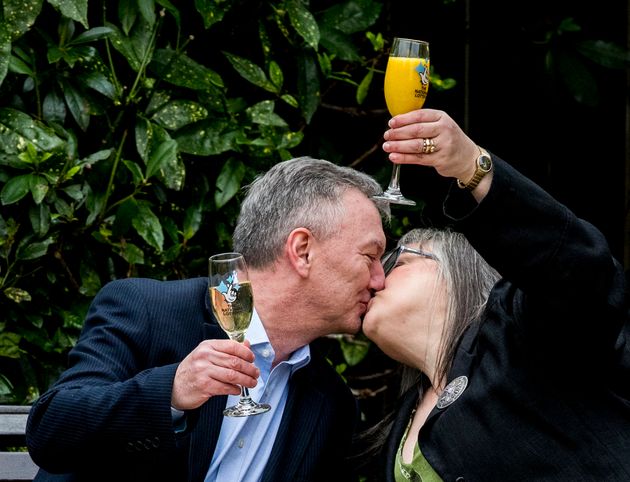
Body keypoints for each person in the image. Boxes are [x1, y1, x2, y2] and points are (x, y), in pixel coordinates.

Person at [26, 156, 391, 482]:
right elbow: (51, 431)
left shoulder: (332, 404)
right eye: (370, 256)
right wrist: (170, 392)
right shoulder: (147, 309)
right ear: (302, 250)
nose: (379, 280)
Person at [358, 108, 630, 481]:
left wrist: (472, 167)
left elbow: (584, 275)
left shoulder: (524, 333)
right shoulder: (394, 424)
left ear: (456, 274)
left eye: (395, 261)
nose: (375, 278)